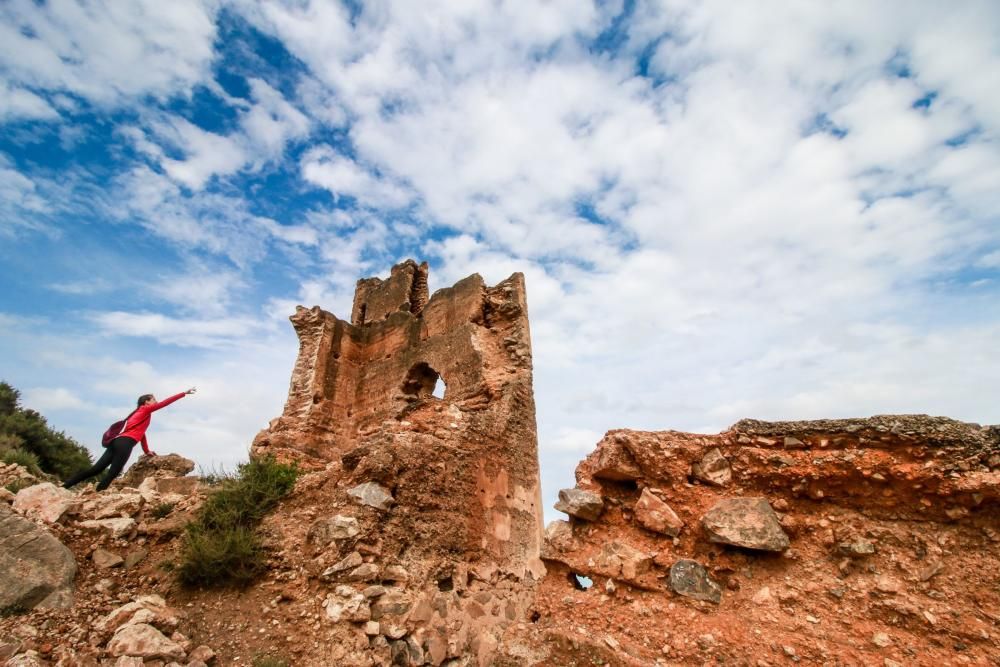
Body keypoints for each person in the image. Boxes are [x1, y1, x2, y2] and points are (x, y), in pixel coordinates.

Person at [64, 387, 197, 491]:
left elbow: (141, 434)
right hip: (125, 443)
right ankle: (98, 494)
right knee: (113, 473)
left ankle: (66, 485)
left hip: (116, 441)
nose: (156, 401)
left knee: (96, 469)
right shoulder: (145, 410)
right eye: (153, 399)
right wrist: (183, 393)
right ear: (147, 402)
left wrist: (147, 451)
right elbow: (164, 403)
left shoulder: (137, 413)